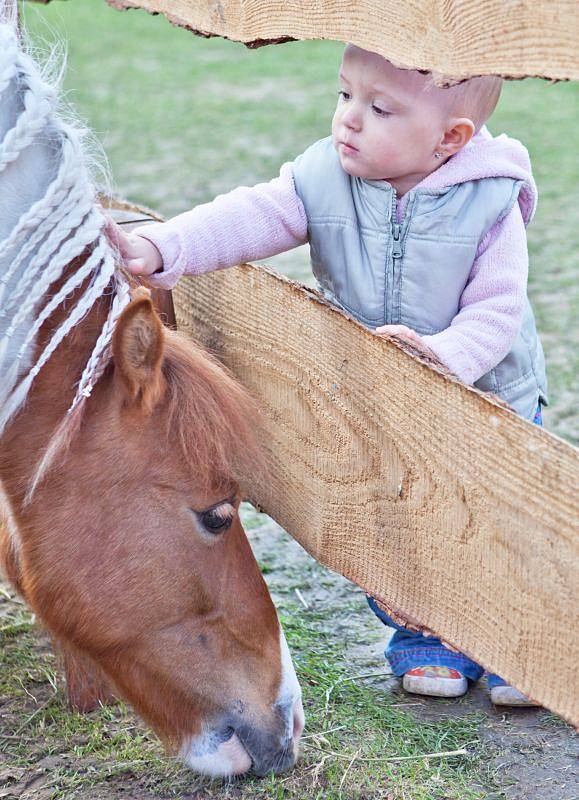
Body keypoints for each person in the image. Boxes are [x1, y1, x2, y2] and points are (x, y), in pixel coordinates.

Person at [110, 44, 547, 706]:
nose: (347, 118)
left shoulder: (489, 198)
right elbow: (246, 216)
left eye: (378, 108)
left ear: (449, 140)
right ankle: (428, 642)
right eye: (344, 95)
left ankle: (519, 647)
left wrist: (445, 356)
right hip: (379, 397)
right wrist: (161, 247)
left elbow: (497, 309)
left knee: (498, 527)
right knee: (396, 522)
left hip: (487, 396)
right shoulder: (321, 177)